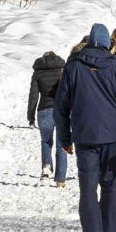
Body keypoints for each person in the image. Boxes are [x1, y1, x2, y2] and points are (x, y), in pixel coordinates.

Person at [52, 22, 116, 232]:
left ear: (90, 41)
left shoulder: (74, 66)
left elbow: (60, 106)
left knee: (88, 189)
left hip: (84, 137)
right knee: (110, 185)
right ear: (107, 43)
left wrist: (64, 139)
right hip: (112, 136)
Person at [27, 46, 70, 185]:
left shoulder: (37, 73)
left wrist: (31, 116)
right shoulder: (62, 71)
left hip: (43, 111)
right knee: (61, 145)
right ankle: (60, 180)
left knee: (46, 142)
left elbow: (33, 96)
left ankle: (46, 166)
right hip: (61, 111)